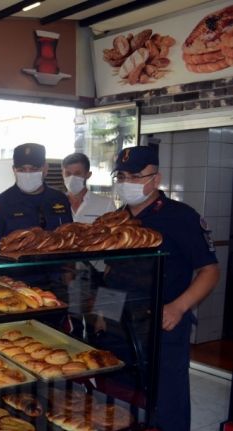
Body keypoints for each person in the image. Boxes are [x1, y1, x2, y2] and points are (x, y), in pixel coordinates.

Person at [110, 146, 220, 431]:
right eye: (122, 176)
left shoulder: (181, 217)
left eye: (135, 176)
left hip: (164, 322)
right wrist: (101, 312)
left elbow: (209, 271)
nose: (127, 183)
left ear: (156, 179)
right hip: (120, 324)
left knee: (167, 400)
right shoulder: (116, 219)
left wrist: (179, 307)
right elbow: (111, 272)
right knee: (121, 398)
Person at [0, 143, 72, 246]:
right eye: (21, 170)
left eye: (34, 169)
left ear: (45, 169)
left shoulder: (60, 199)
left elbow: (70, 237)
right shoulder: (0, 204)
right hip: (14, 257)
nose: (28, 174)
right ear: (14, 170)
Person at [61, 152, 116, 224]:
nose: (72, 178)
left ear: (88, 175)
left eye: (77, 173)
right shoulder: (54, 203)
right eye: (68, 174)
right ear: (62, 174)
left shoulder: (106, 204)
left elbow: (114, 229)